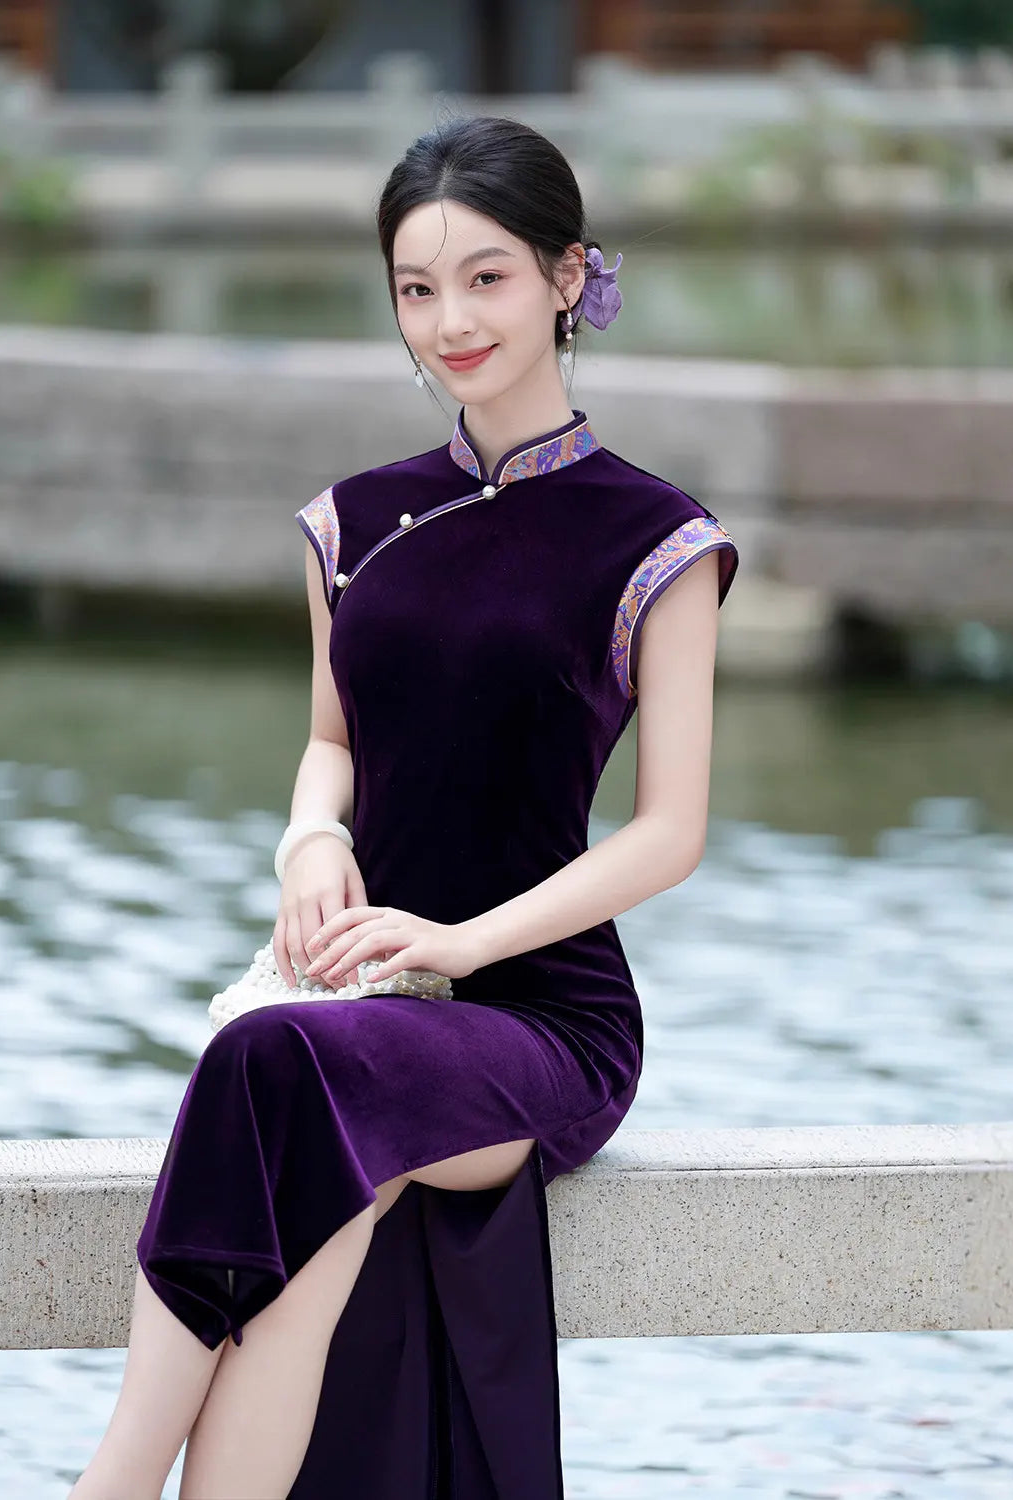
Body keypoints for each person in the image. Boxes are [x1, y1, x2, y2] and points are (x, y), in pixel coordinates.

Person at [68, 113, 739, 1500]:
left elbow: (670, 833)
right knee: (288, 1276)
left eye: (485, 278)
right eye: (416, 289)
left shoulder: (656, 540)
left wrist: (455, 945)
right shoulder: (350, 521)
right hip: (358, 1005)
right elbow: (331, 740)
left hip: (534, 1018)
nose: (448, 322)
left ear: (566, 276)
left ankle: (105, 1486)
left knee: (271, 1067)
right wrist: (309, 839)